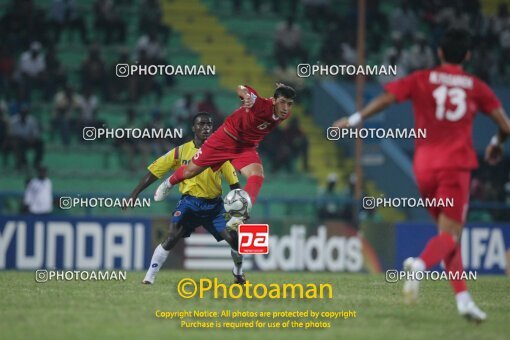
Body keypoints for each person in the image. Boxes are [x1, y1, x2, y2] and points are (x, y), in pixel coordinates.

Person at [333, 29, 510, 322]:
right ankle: (420, 265)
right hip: (455, 165)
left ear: (439, 52)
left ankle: (464, 301)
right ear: (467, 56)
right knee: (451, 236)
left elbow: (388, 98)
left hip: (424, 166)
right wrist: (495, 144)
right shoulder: (476, 86)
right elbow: (505, 124)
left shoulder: (421, 79)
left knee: (447, 236)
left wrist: (354, 119)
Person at [124, 113, 246, 285]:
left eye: (209, 124)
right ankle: (149, 277)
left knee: (235, 239)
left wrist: (240, 210)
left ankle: (238, 273)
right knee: (172, 235)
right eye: (201, 124)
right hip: (190, 202)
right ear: (193, 128)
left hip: (214, 206)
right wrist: (134, 194)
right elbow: (155, 172)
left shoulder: (220, 154)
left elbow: (234, 185)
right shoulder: (180, 152)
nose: (206, 127)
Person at [154, 83, 296, 230]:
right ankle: (169, 183)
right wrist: (245, 95)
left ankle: (239, 216)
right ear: (273, 101)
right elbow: (242, 88)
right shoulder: (259, 104)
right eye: (282, 103)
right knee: (190, 171)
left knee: (257, 175)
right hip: (224, 139)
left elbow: (280, 102)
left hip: (245, 147)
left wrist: (283, 89)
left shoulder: (285, 113)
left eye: (289, 104)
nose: (285, 108)